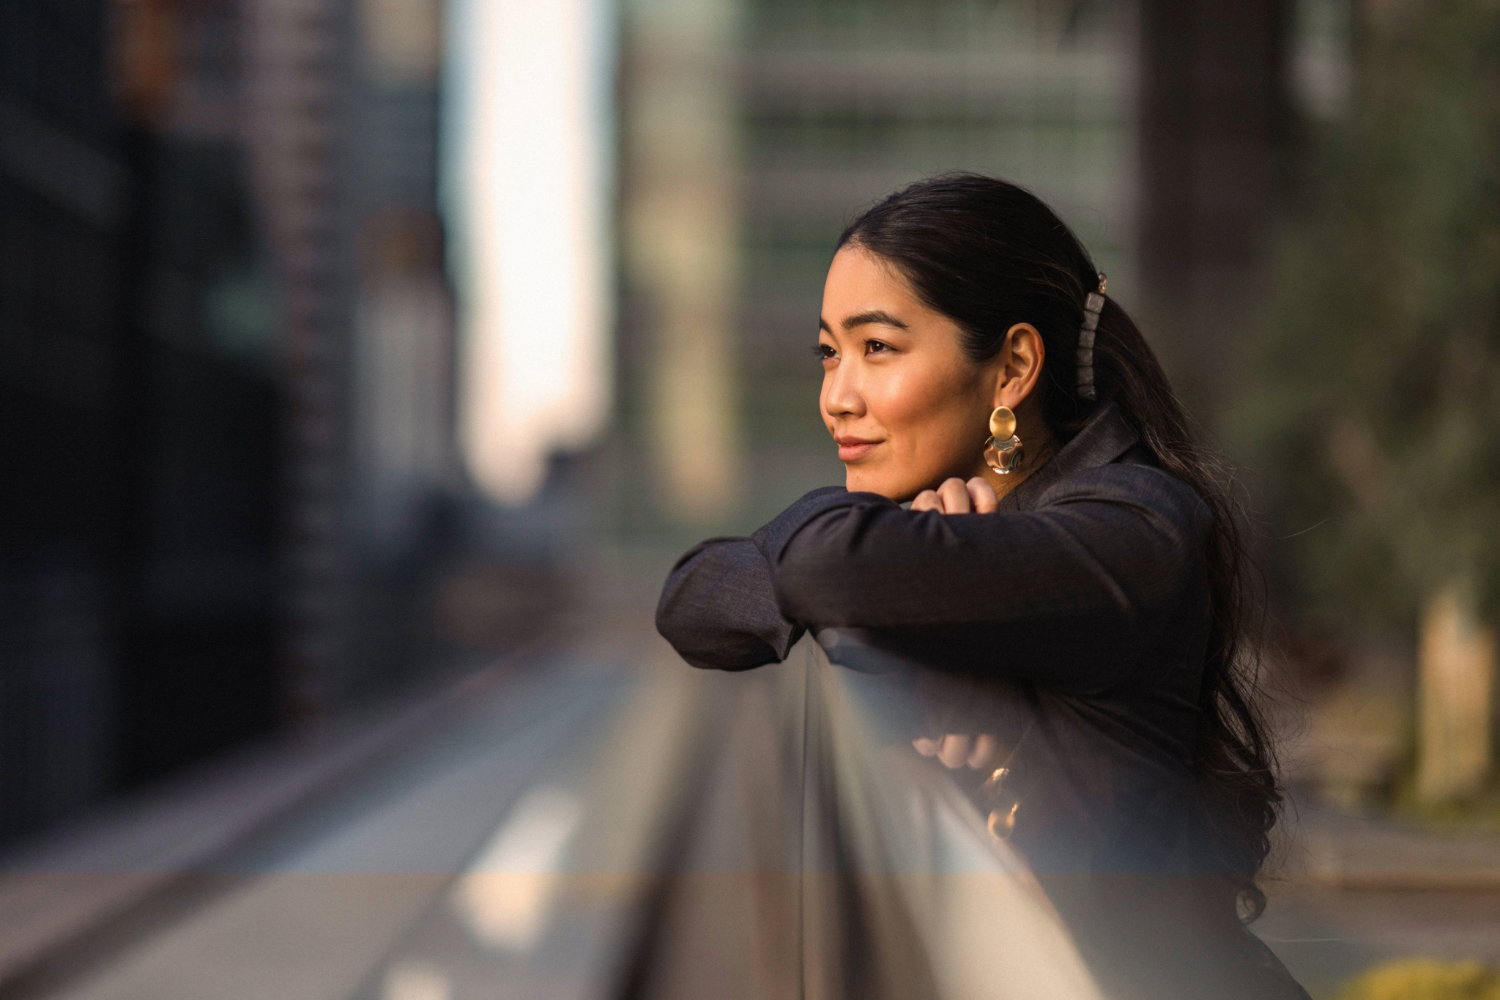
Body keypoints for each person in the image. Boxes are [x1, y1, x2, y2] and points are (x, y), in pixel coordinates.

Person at [654, 174, 1309, 1000]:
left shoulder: (1136, 529)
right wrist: (914, 562)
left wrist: (900, 563)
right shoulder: (935, 528)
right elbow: (691, 602)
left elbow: (824, 569)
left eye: (877, 348)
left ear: (1012, 369)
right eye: (829, 353)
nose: (836, 398)